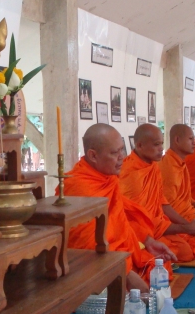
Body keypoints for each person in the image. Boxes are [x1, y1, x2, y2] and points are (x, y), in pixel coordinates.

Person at [63, 124, 176, 292]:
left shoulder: (108, 178)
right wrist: (126, 272)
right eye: (114, 153)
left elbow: (123, 219)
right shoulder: (80, 188)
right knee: (137, 282)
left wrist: (148, 241)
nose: (122, 157)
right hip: (96, 263)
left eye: (122, 149)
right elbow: (87, 245)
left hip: (119, 253)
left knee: (158, 266)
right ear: (93, 156)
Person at [119, 124, 195, 261]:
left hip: (159, 226)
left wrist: (186, 225)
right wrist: (184, 228)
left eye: (162, 143)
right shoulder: (131, 175)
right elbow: (138, 221)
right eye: (156, 144)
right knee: (185, 251)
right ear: (139, 145)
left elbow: (163, 203)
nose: (161, 148)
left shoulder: (153, 167)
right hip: (140, 233)